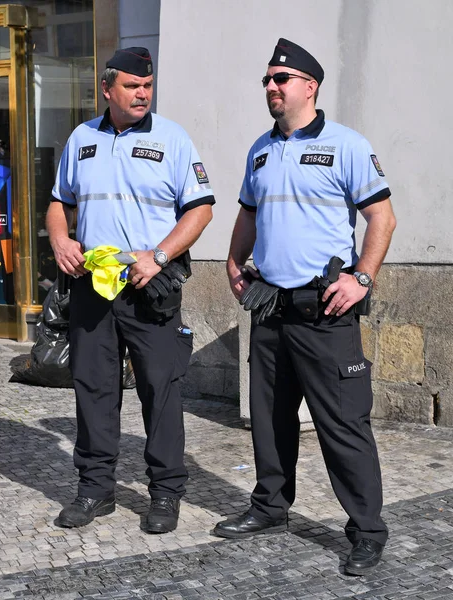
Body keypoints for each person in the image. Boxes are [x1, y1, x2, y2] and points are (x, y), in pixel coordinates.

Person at [213, 39, 396, 575]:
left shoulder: (347, 146)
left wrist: (363, 277)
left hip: (326, 310)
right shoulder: (260, 150)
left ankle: (366, 531)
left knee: (342, 422)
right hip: (270, 306)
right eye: (267, 80)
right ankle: (270, 507)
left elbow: (382, 219)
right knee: (269, 421)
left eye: (281, 79)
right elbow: (248, 211)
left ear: (309, 87)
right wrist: (231, 259)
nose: (271, 87)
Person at [46, 47, 214, 533]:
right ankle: (95, 490)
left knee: (161, 390)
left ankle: (165, 493)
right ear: (107, 89)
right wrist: (60, 238)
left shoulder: (172, 138)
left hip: (149, 285)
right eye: (132, 86)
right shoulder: (81, 139)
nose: (143, 93)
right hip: (93, 288)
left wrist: (158, 255)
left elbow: (200, 209)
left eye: (147, 85)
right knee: (93, 390)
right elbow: (60, 202)